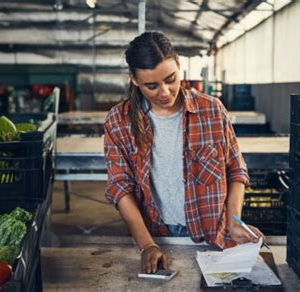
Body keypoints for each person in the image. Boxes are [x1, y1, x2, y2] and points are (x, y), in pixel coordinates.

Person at [103, 31, 264, 274]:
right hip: (156, 237)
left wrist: (234, 220)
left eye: (171, 79)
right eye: (152, 85)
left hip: (212, 235)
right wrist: (147, 245)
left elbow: (235, 170)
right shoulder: (119, 121)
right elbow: (120, 187)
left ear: (179, 65)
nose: (165, 92)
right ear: (134, 80)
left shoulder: (211, 111)